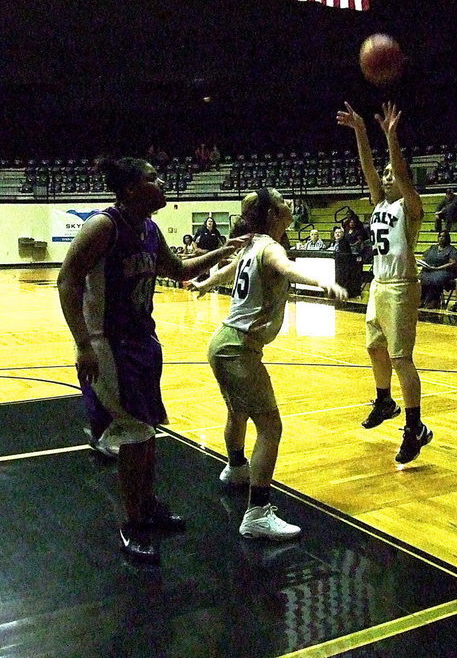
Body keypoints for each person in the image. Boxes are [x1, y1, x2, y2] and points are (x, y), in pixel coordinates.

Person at [57, 157, 250, 563]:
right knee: (133, 433)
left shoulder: (149, 228)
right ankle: (132, 524)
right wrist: (82, 344)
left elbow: (177, 268)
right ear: (130, 189)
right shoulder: (103, 226)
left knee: (147, 430)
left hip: (142, 340)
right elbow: (67, 279)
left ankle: (147, 506)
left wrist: (223, 253)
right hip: (108, 343)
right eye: (152, 177)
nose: (161, 182)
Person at [192, 188, 347, 540]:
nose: (288, 205)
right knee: (271, 428)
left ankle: (235, 468)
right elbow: (285, 268)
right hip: (240, 349)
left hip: (222, 344)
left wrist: (207, 283)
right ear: (274, 215)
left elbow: (229, 270)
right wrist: (322, 280)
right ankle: (257, 512)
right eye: (282, 202)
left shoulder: (251, 244)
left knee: (237, 413)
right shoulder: (271, 248)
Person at [338, 100, 433, 464]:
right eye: (387, 173)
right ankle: (385, 401)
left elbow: (403, 176)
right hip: (379, 285)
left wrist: (391, 138)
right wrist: (362, 132)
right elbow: (368, 171)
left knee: (400, 358)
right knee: (374, 349)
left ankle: (415, 428)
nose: (388, 176)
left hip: (401, 286)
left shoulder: (410, 207)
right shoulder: (379, 203)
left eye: (393, 173)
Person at [419, 231, 457, 308]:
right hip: (431, 269)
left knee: (436, 278)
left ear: (447, 238)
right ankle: (422, 300)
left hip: (446, 271)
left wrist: (438, 268)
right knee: (423, 277)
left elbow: (453, 263)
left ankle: (434, 300)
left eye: (443, 236)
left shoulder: (451, 249)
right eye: (440, 236)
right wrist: (426, 264)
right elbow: (423, 257)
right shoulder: (433, 248)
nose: (441, 238)